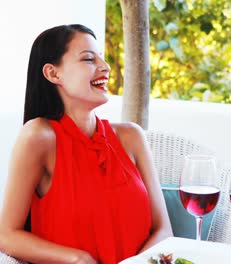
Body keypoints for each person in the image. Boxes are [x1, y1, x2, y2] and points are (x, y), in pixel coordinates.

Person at [0, 24, 172, 263]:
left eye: (101, 58)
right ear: (53, 74)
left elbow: (163, 231)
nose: (105, 67)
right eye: (89, 59)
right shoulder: (38, 137)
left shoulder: (132, 137)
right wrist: (77, 259)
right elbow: (7, 235)